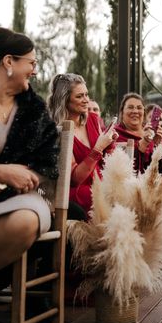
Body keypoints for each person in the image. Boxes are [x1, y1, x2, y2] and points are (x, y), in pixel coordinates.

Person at [0, 28, 59, 323]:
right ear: (9, 61)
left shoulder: (34, 109)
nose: (35, 70)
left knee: (26, 221)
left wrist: (0, 182)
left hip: (17, 197)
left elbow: (47, 164)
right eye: (31, 62)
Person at [47, 74, 118, 220]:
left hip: (100, 182)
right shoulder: (58, 131)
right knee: (102, 200)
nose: (86, 100)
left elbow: (106, 160)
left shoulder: (93, 120)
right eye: (79, 96)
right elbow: (75, 179)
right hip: (76, 192)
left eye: (86, 94)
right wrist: (98, 148)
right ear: (65, 100)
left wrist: (109, 145)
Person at [114, 94, 162, 175]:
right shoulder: (114, 134)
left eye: (139, 108)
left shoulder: (153, 133)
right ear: (122, 112)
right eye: (130, 107)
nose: (135, 111)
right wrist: (143, 143)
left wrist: (159, 145)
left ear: (143, 113)